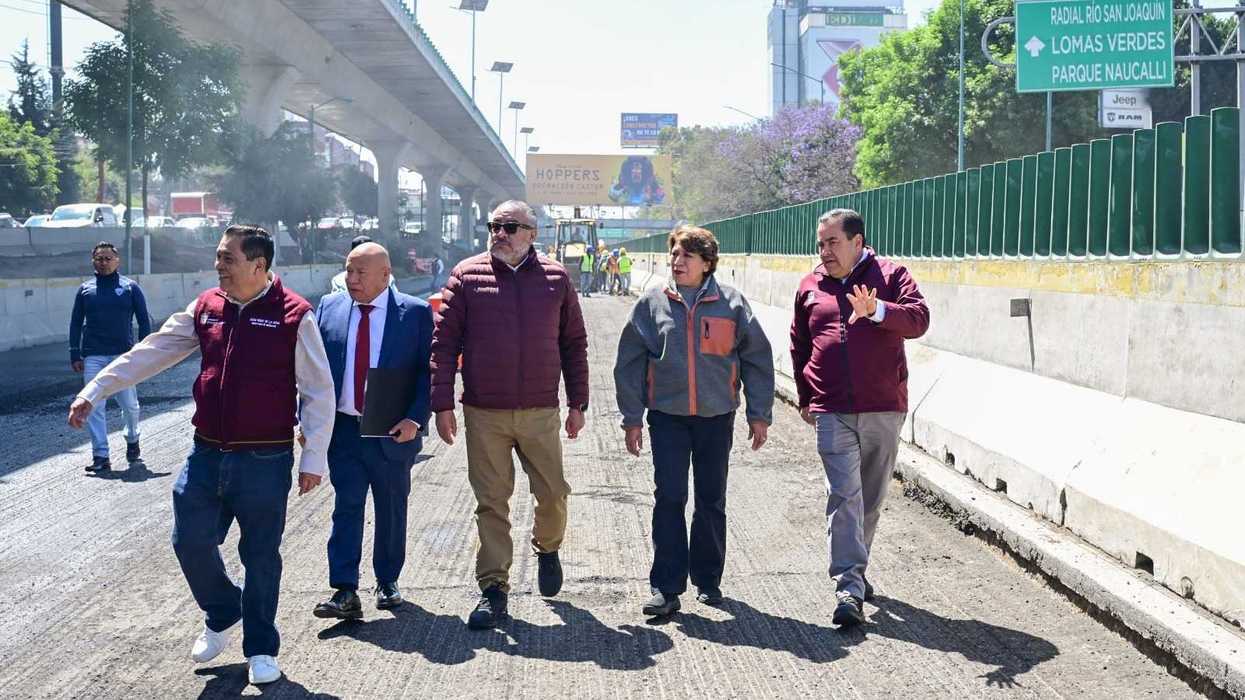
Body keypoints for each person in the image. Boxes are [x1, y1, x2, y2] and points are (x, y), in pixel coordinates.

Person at [67, 225, 336, 686]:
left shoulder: (295, 315)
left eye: (227, 259)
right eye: (218, 257)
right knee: (189, 540)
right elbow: (152, 351)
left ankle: (260, 648)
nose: (218, 266)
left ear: (258, 265)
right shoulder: (207, 307)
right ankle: (222, 609)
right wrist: (97, 388)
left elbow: (317, 391)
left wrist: (314, 458)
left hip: (265, 458)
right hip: (207, 452)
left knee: (261, 556)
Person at [430, 200, 589, 630]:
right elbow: (444, 345)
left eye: (511, 226)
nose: (500, 233)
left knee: (553, 493)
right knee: (491, 502)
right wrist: (441, 403)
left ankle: (548, 547)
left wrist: (579, 402)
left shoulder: (556, 278)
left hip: (540, 410)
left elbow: (574, 343)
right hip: (485, 412)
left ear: (532, 234)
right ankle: (493, 588)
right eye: (495, 226)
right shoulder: (467, 276)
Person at [614, 225, 775, 617]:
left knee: (710, 499)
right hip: (667, 417)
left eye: (687, 255)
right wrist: (632, 418)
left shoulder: (732, 304)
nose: (677, 261)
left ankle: (708, 579)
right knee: (669, 497)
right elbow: (629, 363)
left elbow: (757, 360)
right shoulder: (651, 303)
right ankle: (666, 587)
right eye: (674, 254)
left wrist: (759, 413)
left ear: (707, 263)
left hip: (716, 418)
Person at [789, 208, 930, 628]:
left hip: (884, 405)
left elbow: (919, 320)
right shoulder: (810, 285)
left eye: (832, 242)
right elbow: (799, 344)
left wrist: (878, 311)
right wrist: (805, 395)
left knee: (869, 498)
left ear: (857, 241)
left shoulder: (891, 275)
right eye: (820, 243)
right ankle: (848, 586)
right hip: (832, 408)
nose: (824, 251)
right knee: (843, 496)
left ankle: (857, 566)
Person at [312, 243, 433, 620]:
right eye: (348, 271)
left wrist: (415, 419)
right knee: (346, 506)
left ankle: (388, 580)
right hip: (344, 429)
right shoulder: (329, 308)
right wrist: (310, 422)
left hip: (391, 430)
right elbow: (312, 371)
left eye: (360, 272)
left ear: (385, 274)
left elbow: (427, 374)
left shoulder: (414, 314)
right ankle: (344, 589)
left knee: (391, 508)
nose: (351, 280)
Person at [69, 241, 151, 472]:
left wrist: (144, 351)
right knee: (93, 404)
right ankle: (100, 456)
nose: (103, 262)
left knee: (130, 406)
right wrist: (75, 352)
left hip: (122, 356)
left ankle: (132, 438)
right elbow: (76, 322)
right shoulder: (85, 289)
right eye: (99, 259)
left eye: (108, 258)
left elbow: (144, 321)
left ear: (117, 261)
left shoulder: (130, 287)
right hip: (93, 355)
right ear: (93, 261)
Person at [330, 235, 398, 294]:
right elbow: (336, 305)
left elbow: (395, 302)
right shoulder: (339, 281)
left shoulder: (386, 277)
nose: (354, 280)